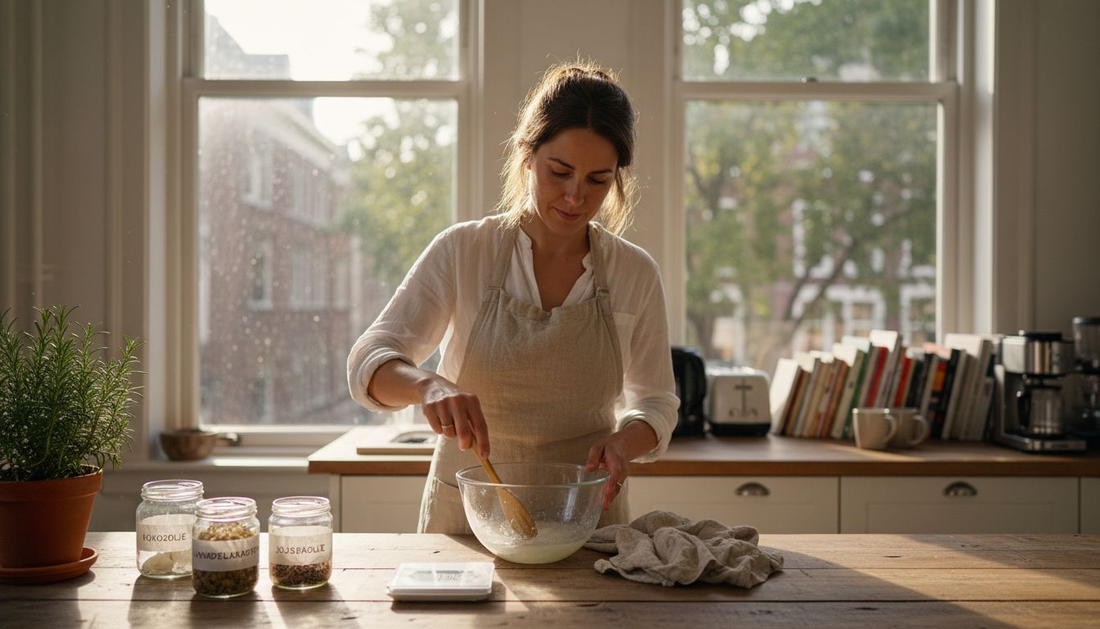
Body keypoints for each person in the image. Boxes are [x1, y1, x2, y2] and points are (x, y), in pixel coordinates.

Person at [347, 61, 679, 534]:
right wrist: (428, 387)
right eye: (559, 171)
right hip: (466, 520)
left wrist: (625, 441)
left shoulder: (634, 272)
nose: (574, 197)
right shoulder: (464, 251)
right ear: (528, 156)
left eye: (597, 180)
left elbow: (658, 402)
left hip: (586, 521)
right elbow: (368, 363)